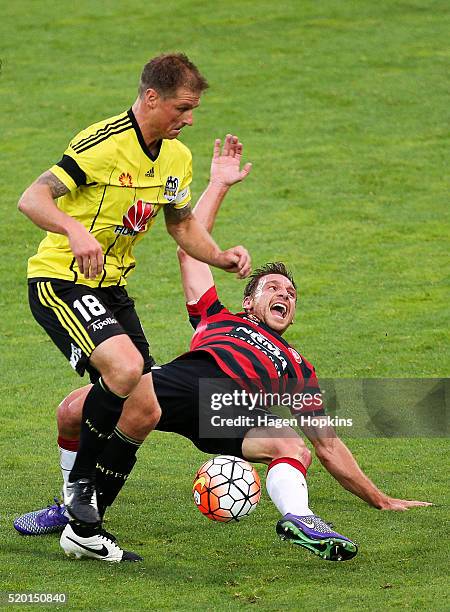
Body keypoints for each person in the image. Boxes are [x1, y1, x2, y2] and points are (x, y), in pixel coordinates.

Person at [15, 138, 432, 562]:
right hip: (174, 386)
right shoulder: (218, 317)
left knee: (293, 446)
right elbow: (188, 253)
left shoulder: (296, 366)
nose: (284, 294)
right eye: (272, 287)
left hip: (226, 412)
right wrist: (219, 184)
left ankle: (302, 519)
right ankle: (71, 508)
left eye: (290, 293)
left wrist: (379, 498)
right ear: (249, 302)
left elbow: (327, 443)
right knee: (71, 410)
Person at [17, 53, 251, 562]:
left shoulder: (177, 159)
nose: (190, 118)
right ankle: (78, 492)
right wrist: (74, 229)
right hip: (61, 279)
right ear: (151, 98)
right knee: (124, 368)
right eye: (183, 107)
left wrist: (220, 255)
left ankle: (84, 530)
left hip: (112, 289)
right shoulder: (102, 143)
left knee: (144, 408)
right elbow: (31, 198)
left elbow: (181, 225)